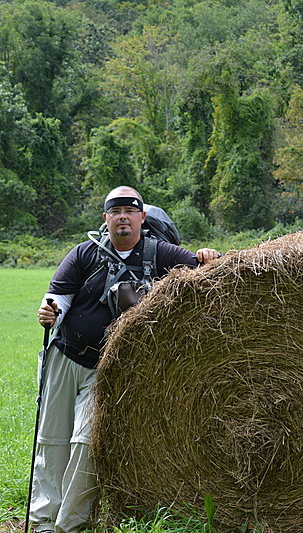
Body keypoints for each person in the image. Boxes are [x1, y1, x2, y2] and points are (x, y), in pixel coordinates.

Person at [31, 186, 218, 533]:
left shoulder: (158, 252)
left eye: (129, 211)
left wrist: (208, 256)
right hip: (66, 354)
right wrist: (49, 312)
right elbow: (58, 296)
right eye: (114, 211)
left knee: (86, 443)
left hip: (108, 368)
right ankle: (41, 521)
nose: (122, 217)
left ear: (142, 217)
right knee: (51, 439)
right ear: (105, 219)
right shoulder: (84, 253)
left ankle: (68, 524)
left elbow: (203, 269)